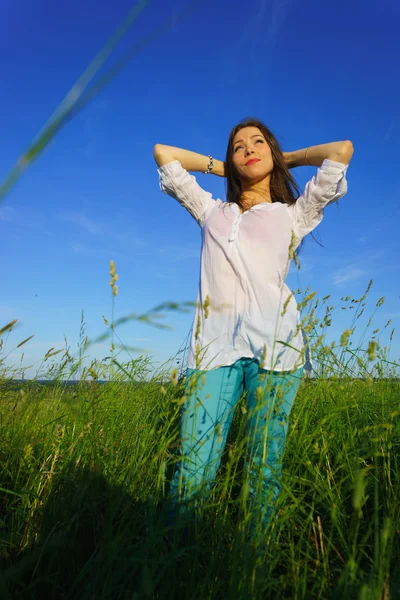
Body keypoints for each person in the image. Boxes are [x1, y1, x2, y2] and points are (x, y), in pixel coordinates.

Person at [154, 118, 353, 542]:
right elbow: (163, 154)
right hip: (211, 352)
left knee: (263, 471)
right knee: (194, 468)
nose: (248, 149)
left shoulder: (292, 215)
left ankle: (252, 568)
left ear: (273, 150)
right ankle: (173, 567)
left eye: (258, 142)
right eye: (238, 145)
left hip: (276, 353)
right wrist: (223, 166)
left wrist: (282, 160)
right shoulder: (212, 211)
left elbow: (341, 151)